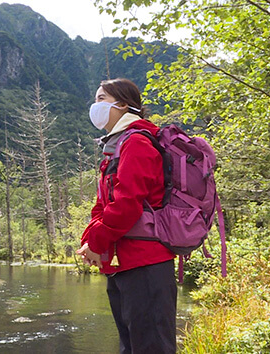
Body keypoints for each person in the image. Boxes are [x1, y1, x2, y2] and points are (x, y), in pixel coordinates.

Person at [76, 78, 177, 353]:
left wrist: (98, 243)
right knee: (131, 346)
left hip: (146, 263)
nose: (94, 106)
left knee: (151, 346)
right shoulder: (115, 147)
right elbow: (102, 204)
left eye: (100, 99)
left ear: (122, 105)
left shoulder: (137, 143)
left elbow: (128, 203)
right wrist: (91, 243)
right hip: (123, 264)